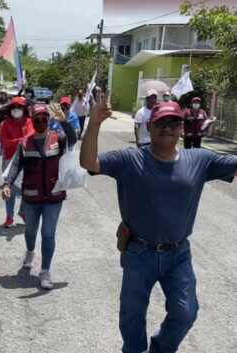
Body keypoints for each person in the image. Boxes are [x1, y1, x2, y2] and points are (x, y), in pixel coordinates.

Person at [80, 99, 237, 353]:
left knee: (186, 312)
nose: (168, 128)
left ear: (182, 128)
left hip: (178, 254)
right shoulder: (130, 159)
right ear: (149, 127)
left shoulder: (199, 160)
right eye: (161, 122)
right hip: (138, 251)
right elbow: (89, 163)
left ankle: (160, 349)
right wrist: (94, 123)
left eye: (174, 122)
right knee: (132, 315)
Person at [2, 105, 77, 289]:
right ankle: (30, 251)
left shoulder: (58, 138)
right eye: (37, 119)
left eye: (44, 119)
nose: (41, 122)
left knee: (48, 233)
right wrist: (7, 184)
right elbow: (15, 165)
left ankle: (45, 271)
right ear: (32, 121)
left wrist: (64, 122)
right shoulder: (24, 143)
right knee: (30, 231)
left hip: (54, 196)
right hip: (31, 196)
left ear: (49, 120)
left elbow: (74, 139)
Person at [0, 96, 34, 228]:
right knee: (10, 190)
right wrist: (18, 142)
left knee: (26, 188)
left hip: (25, 160)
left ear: (23, 109)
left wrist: (18, 142)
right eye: (14, 108)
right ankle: (9, 217)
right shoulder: (5, 124)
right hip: (9, 160)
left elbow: (30, 138)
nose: (16, 110)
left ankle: (23, 211)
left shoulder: (29, 122)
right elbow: (3, 142)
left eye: (19, 107)